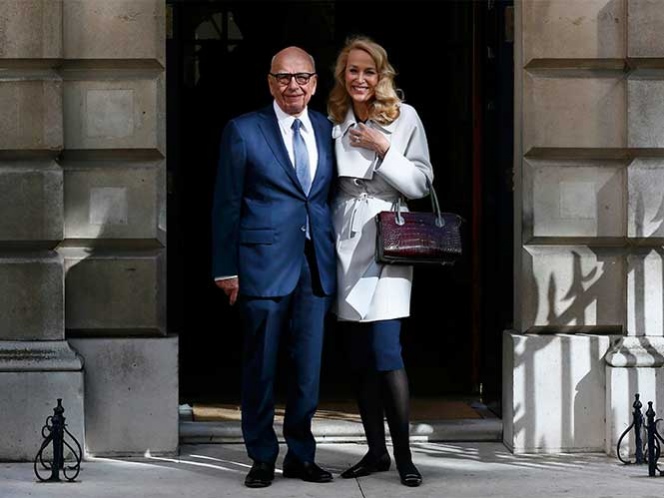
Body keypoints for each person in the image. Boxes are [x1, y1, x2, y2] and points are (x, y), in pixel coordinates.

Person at [212, 46, 336, 489]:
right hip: (261, 264)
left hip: (315, 265)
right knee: (260, 366)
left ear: (315, 83)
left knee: (308, 370)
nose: (292, 86)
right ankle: (262, 456)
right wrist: (225, 268)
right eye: (283, 77)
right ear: (270, 83)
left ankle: (301, 455)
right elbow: (227, 203)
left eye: (302, 78)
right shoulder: (244, 130)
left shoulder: (327, 129)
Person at [327, 36, 433, 487]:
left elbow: (422, 183)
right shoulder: (332, 118)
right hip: (344, 239)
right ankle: (375, 452)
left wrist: (384, 148)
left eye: (369, 71)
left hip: (389, 237)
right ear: (342, 74)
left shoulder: (404, 116)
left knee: (387, 350)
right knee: (357, 356)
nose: (360, 79)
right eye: (353, 70)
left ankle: (405, 457)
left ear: (381, 75)